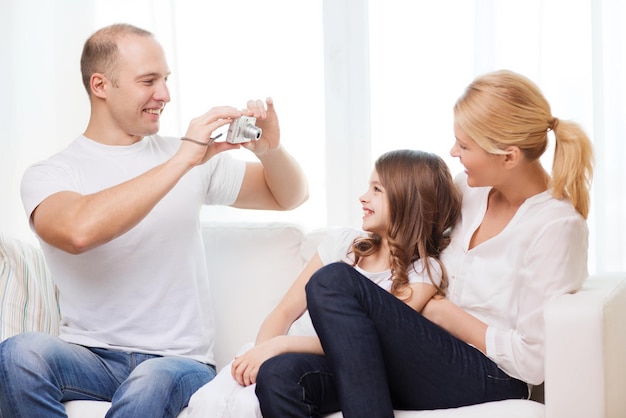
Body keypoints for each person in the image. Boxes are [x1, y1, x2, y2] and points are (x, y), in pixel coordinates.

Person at [0, 23, 308, 418]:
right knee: (18, 354)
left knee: (149, 383)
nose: (164, 94)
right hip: (90, 357)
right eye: (149, 80)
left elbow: (290, 196)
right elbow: (78, 231)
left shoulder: (194, 161)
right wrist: (181, 159)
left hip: (179, 364)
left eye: (165, 79)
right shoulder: (50, 174)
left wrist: (272, 150)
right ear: (100, 85)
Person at [254, 69, 594, 417]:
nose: (453, 151)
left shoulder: (556, 226)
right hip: (419, 350)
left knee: (332, 281)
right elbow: (411, 221)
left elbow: (532, 362)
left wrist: (445, 314)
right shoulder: (468, 190)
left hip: (489, 372)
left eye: (464, 146)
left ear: (508, 157)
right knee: (278, 376)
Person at [186, 149, 462, 417]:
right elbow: (283, 312)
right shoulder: (344, 245)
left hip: (329, 366)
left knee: (272, 385)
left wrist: (281, 347)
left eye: (377, 190)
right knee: (217, 401)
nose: (363, 197)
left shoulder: (424, 272)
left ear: (408, 200)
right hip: (278, 352)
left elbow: (366, 343)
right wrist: (262, 352)